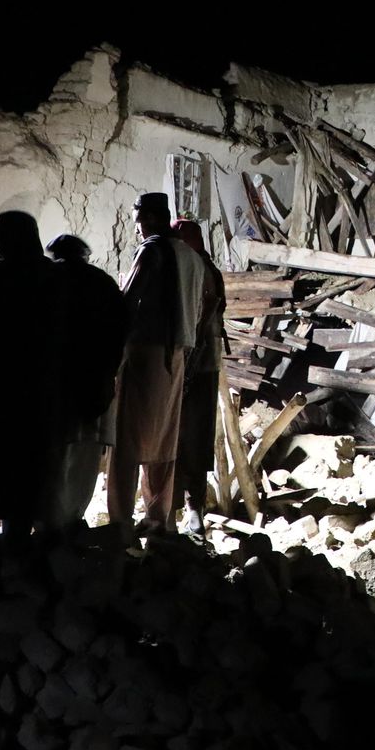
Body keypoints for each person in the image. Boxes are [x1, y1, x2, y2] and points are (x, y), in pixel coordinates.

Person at [109, 192, 213, 534]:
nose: (137, 228)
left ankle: (121, 520)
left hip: (146, 352)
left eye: (139, 220)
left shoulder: (152, 249)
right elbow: (200, 313)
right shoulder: (194, 259)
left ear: (151, 218)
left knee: (127, 439)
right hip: (179, 355)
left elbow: (127, 299)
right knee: (165, 440)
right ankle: (158, 517)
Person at [0, 211, 65, 547]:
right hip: (39, 390)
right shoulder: (51, 275)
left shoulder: (4, 274)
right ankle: (17, 545)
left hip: (1, 388)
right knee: (28, 471)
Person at [45, 234, 129, 529]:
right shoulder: (103, 283)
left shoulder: (47, 279)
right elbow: (122, 332)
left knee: (54, 454)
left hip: (55, 384)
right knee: (85, 457)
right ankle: (72, 518)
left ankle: (49, 521)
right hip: (94, 382)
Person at [169, 220, 226, 535]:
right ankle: (189, 511)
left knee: (188, 439)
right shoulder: (206, 268)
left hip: (196, 366)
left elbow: (200, 322)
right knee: (193, 439)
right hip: (201, 366)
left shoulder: (199, 271)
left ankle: (190, 511)